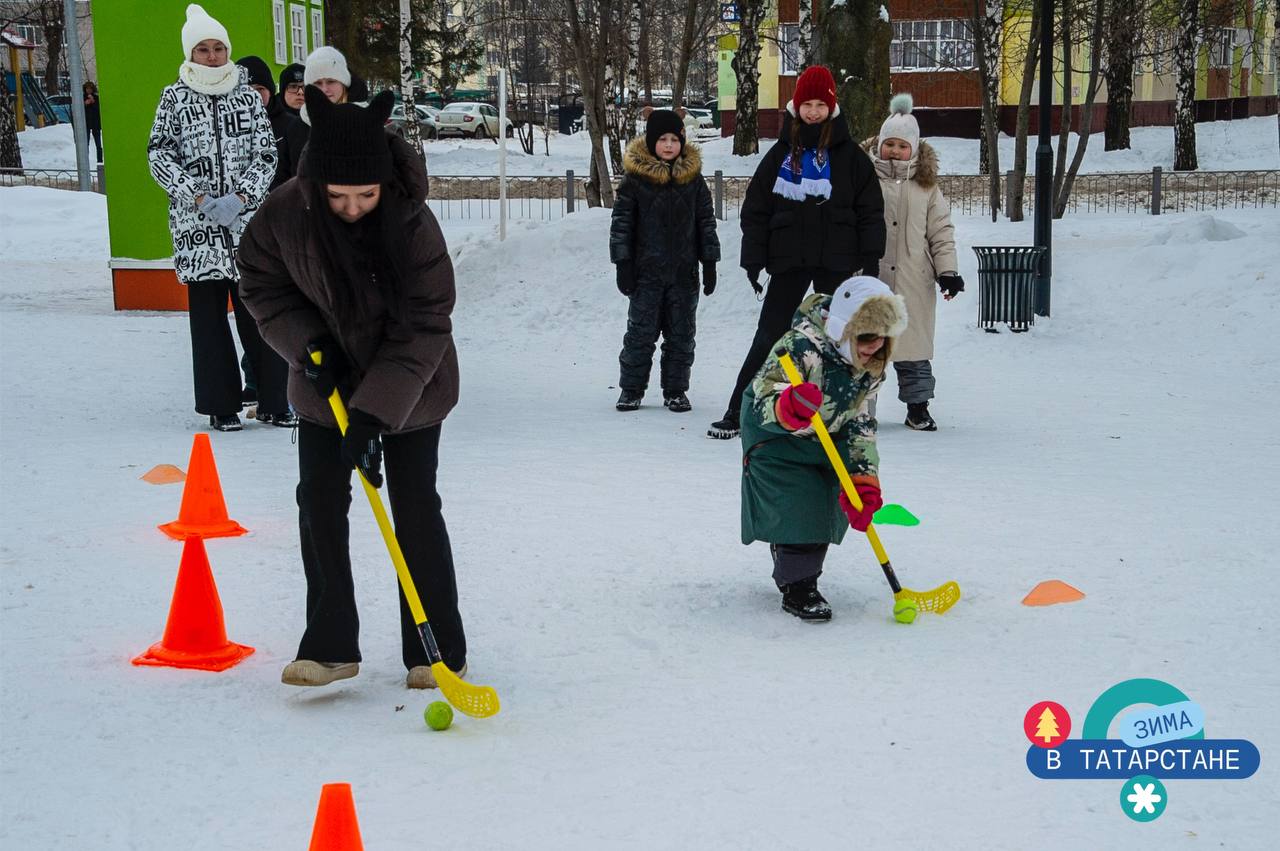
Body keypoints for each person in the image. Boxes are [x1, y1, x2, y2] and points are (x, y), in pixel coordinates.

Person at [238, 87, 469, 690]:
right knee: (318, 501)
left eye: (365, 195)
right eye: (337, 195)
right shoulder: (285, 212)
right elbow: (261, 285)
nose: (351, 207)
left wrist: (373, 415)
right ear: (315, 182)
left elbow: (426, 322)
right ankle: (331, 644)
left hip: (412, 390)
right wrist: (307, 345)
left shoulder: (413, 221)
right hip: (324, 386)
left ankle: (436, 650)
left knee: (414, 508)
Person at [708, 64, 886, 440]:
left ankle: (847, 413)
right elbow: (756, 210)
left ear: (832, 107)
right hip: (789, 261)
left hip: (835, 261)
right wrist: (754, 259)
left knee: (840, 337)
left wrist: (869, 260)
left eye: (821, 104)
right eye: (808, 104)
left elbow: (870, 211)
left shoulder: (851, 157)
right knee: (770, 334)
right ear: (796, 105)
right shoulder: (779, 155)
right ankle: (739, 409)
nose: (813, 112)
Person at [146, 3, 290, 431]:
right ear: (190, 53)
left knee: (260, 312)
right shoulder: (174, 96)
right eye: (203, 49)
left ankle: (274, 400)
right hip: (198, 228)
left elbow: (267, 153)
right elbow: (158, 153)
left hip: (248, 227)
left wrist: (242, 197)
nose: (212, 56)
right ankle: (221, 404)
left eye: (218, 48)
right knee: (209, 320)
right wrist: (198, 196)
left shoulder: (247, 94)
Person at [739, 277, 908, 620]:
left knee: (833, 500)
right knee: (801, 505)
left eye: (882, 338)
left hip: (827, 437)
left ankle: (794, 565)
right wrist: (787, 407)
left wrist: (863, 477)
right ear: (844, 328)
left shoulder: (869, 367)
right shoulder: (800, 347)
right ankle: (799, 585)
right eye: (865, 336)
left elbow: (859, 421)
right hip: (777, 438)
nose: (874, 346)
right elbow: (761, 397)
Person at [609, 109, 720, 413]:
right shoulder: (635, 181)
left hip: (684, 274)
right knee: (640, 333)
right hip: (646, 274)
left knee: (682, 335)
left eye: (674, 139)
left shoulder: (693, 181)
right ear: (651, 142)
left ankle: (675, 390)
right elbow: (621, 225)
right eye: (662, 139)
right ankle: (631, 389)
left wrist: (709, 262)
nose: (669, 145)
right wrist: (623, 264)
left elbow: (705, 224)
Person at [862, 94, 962, 431]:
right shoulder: (864, 180)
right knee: (866, 349)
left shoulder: (927, 188)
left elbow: (941, 231)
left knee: (913, 350)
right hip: (870, 278)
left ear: (914, 149)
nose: (894, 151)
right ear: (878, 145)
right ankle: (862, 410)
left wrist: (948, 272)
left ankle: (918, 406)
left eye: (901, 146)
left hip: (913, 281)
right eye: (888, 143)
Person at [283, 46, 366, 179]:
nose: (324, 89)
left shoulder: (365, 121)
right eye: (317, 83)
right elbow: (287, 178)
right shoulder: (296, 127)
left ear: (344, 83)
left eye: (331, 81)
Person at [82, 81, 102, 163]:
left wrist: (93, 102)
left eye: (90, 89)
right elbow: (79, 110)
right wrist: (85, 104)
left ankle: (100, 161)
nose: (89, 90)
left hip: (95, 123)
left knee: (98, 144)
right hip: (86, 123)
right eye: (87, 89)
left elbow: (99, 110)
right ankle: (85, 161)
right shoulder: (82, 97)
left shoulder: (96, 98)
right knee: (86, 143)